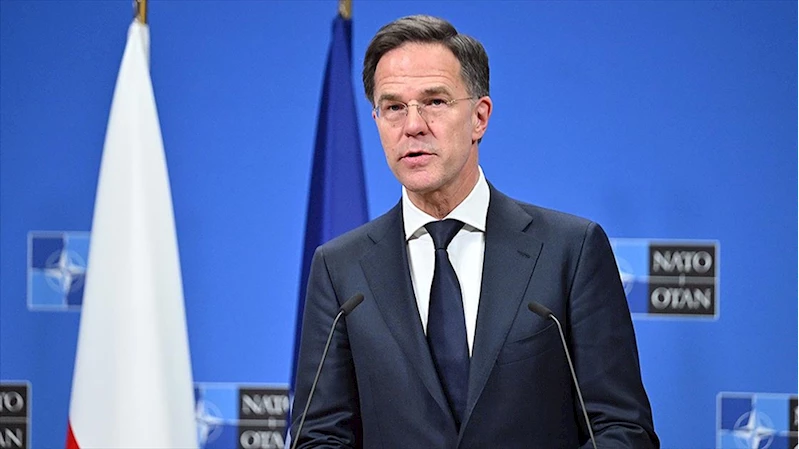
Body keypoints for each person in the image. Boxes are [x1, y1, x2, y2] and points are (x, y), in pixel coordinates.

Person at [291, 14, 658, 448]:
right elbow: (318, 437)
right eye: (393, 107)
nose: (413, 125)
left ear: (479, 117)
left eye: (435, 102)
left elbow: (622, 429)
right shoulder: (340, 268)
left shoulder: (569, 251)